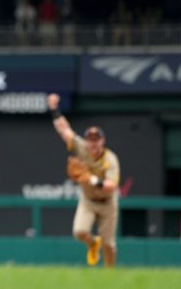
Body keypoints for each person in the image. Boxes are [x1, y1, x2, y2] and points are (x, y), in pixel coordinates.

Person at [47, 93, 120, 268]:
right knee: (79, 232)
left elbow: (112, 186)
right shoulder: (81, 147)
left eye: (96, 140)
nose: (93, 143)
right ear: (86, 141)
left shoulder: (110, 159)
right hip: (88, 200)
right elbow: (64, 129)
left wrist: (92, 179)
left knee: (109, 244)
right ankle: (92, 244)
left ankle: (110, 277)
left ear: (103, 141)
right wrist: (54, 109)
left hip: (107, 202)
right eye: (90, 140)